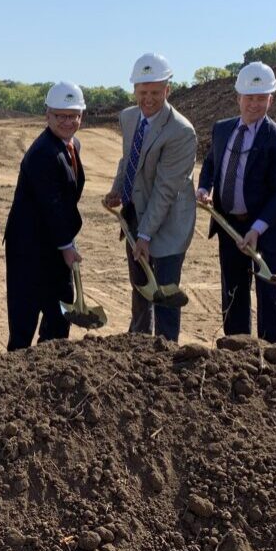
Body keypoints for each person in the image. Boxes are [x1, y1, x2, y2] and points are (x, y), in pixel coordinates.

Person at [196, 62, 276, 342]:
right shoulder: (222, 129)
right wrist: (204, 187)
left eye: (261, 98)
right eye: (249, 97)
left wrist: (256, 229)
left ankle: (270, 351)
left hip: (267, 230)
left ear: (271, 99)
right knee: (233, 290)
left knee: (268, 290)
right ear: (238, 98)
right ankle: (236, 351)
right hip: (229, 226)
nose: (254, 104)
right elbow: (211, 162)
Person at [103, 53, 196, 342]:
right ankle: (138, 346)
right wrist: (117, 189)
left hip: (168, 222)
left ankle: (166, 352)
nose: (149, 99)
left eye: (156, 92)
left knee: (164, 291)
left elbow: (166, 189)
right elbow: (128, 158)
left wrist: (145, 235)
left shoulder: (181, 131)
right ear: (134, 91)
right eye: (143, 92)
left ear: (168, 90)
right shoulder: (129, 117)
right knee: (140, 287)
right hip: (135, 212)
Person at [4, 82, 86, 351]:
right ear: (47, 115)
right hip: (31, 249)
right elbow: (51, 205)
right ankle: (16, 376)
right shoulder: (43, 153)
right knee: (25, 320)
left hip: (51, 245)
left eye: (72, 115)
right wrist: (67, 246)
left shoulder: (70, 145)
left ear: (81, 116)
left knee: (59, 313)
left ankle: (48, 372)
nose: (67, 121)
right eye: (60, 115)